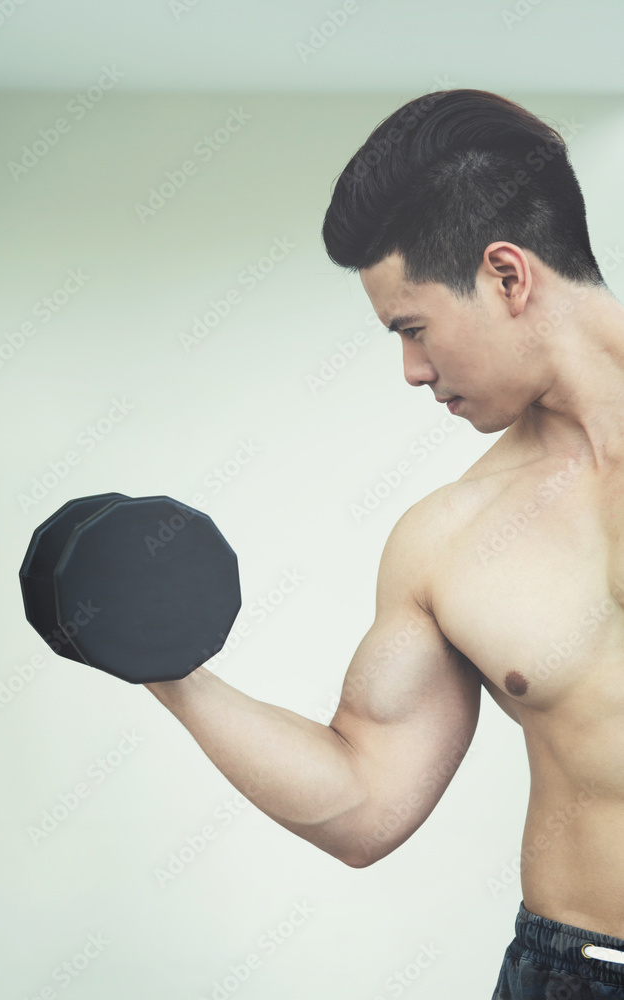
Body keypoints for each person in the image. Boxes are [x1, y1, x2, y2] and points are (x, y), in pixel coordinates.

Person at [146, 89, 624, 999]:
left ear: (507, 275)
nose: (410, 371)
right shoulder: (451, 537)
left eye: (411, 328)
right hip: (572, 974)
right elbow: (364, 802)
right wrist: (168, 670)